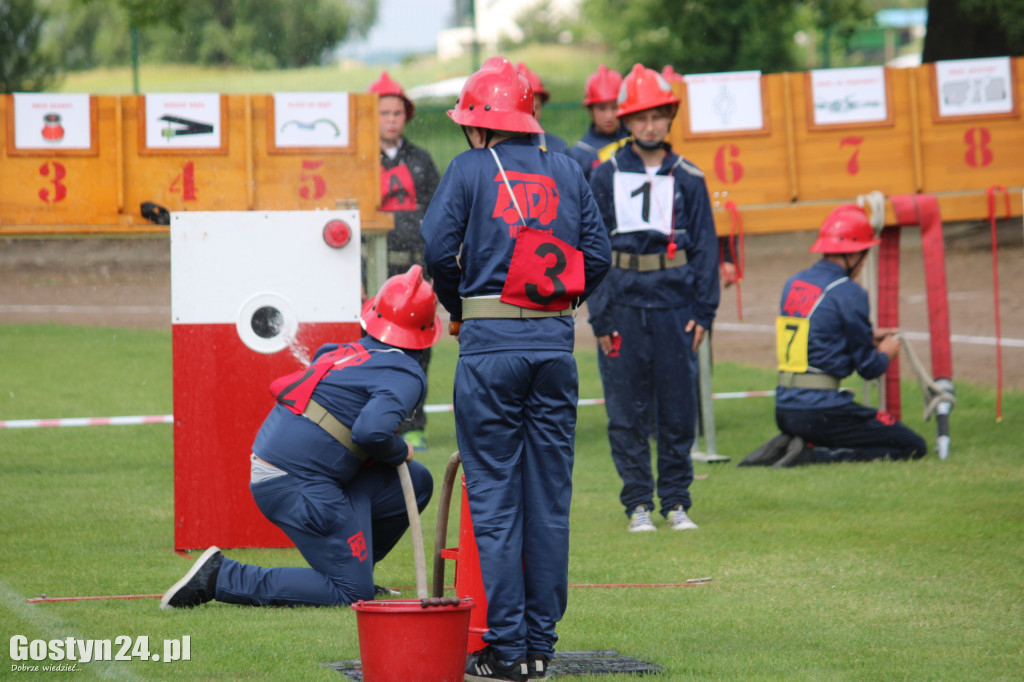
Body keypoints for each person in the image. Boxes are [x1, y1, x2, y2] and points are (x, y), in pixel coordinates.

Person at [421, 56, 611, 682]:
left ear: (479, 125)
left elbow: (435, 251)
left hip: (489, 352)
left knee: (497, 503)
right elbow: (599, 255)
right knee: (549, 502)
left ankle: (506, 651)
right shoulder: (568, 166)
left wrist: (465, 308)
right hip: (555, 351)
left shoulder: (469, 168)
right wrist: (557, 307)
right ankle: (540, 648)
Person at [160, 266, 442, 609]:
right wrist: (402, 449)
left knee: (418, 481)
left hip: (296, 471)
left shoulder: (341, 350)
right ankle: (221, 577)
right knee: (353, 594)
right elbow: (371, 431)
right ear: (426, 331)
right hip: (295, 482)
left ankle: (356, 568)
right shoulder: (405, 372)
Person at [586, 64, 721, 534]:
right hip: (621, 306)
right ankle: (638, 503)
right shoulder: (603, 176)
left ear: (669, 117)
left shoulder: (689, 177)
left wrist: (705, 310)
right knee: (626, 409)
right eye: (640, 117)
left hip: (676, 306)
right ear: (625, 120)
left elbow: (706, 248)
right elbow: (593, 250)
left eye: (657, 116)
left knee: (679, 408)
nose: (649, 125)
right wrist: (600, 318)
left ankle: (677, 501)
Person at [763, 203, 927, 468]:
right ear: (854, 254)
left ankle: (794, 444)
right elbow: (869, 369)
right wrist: (886, 353)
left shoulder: (794, 282)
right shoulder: (849, 292)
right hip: (820, 410)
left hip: (785, 408)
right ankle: (814, 456)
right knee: (911, 445)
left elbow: (816, 334)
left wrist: (865, 335)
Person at [367, 71, 441, 451]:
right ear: (369, 117)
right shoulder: (358, 162)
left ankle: (414, 423)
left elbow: (438, 214)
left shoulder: (422, 160)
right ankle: (380, 423)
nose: (391, 119)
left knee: (418, 351)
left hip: (415, 271)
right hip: (375, 270)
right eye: (384, 113)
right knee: (376, 349)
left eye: (397, 113)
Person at [569, 64, 630, 181]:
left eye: (615, 107)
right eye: (602, 109)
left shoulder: (636, 140)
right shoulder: (580, 153)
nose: (609, 116)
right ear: (590, 110)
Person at [515, 61, 570, 156]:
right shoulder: (493, 151)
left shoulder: (558, 149)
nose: (530, 115)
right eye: (522, 108)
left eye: (535, 107)